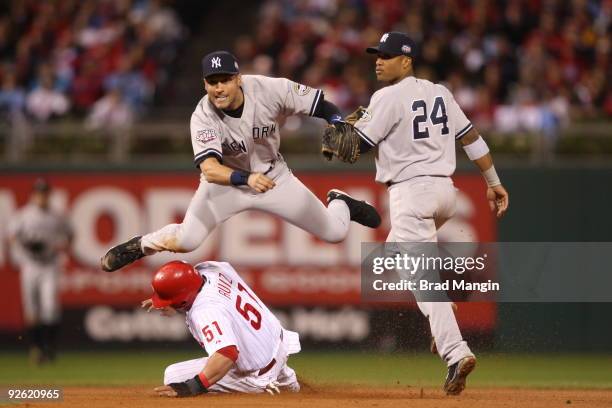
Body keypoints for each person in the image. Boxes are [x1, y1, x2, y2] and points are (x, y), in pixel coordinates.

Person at [101, 50, 381, 272]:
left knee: (335, 232)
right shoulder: (203, 115)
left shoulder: (270, 89)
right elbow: (210, 170)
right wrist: (245, 179)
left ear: (239, 79)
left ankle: (340, 201)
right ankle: (139, 246)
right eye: (212, 82)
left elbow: (322, 104)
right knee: (187, 240)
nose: (219, 88)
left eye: (225, 80)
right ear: (204, 84)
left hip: (275, 178)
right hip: (226, 184)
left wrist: (336, 121)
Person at [348, 32, 510, 395]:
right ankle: (448, 301)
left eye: (387, 56)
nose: (379, 60)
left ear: (407, 61)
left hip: (411, 195)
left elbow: (355, 146)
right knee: (393, 257)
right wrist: (492, 181)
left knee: (423, 283)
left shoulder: (386, 96)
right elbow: (472, 138)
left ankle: (456, 352)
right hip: (444, 194)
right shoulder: (441, 92)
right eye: (377, 54)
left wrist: (343, 130)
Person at [144, 260, 301, 396]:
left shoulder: (204, 310)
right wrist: (169, 298)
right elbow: (184, 281)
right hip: (277, 342)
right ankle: (285, 379)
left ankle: (265, 387)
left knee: (173, 376)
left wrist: (192, 387)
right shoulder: (212, 270)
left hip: (256, 373)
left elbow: (226, 353)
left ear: (182, 301)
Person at [8, 178, 73, 365]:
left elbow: (70, 235)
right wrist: (25, 247)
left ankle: (49, 347)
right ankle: (36, 347)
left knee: (50, 307)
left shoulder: (57, 215)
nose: (42, 196)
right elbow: (12, 237)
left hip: (49, 264)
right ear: (33, 194)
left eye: (44, 192)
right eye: (39, 192)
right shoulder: (24, 215)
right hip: (30, 264)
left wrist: (58, 247)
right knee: (32, 309)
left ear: (49, 194)